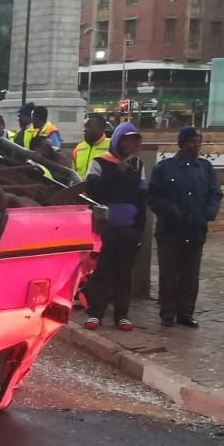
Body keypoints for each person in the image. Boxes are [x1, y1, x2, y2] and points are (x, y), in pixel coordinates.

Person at [148, 126, 221, 327]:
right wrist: (171, 212)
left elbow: (215, 194)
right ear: (182, 143)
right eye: (192, 141)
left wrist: (207, 214)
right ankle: (167, 312)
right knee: (169, 274)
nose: (196, 145)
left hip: (195, 229)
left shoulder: (205, 168)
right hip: (170, 231)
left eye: (199, 141)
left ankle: (186, 312)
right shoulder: (164, 168)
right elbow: (153, 197)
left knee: (190, 275)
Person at [83, 122, 147, 331]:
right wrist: (116, 173)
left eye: (133, 140)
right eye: (125, 140)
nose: (128, 144)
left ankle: (122, 314)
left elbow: (141, 197)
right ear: (117, 140)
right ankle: (95, 313)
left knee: (123, 273)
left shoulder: (137, 166)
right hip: (104, 228)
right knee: (101, 272)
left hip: (128, 229)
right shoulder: (100, 162)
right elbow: (92, 190)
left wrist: (139, 229)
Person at [70, 114, 110, 180]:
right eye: (84, 126)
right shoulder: (78, 148)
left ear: (101, 128)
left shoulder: (112, 146)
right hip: (81, 189)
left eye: (89, 126)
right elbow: (73, 174)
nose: (84, 129)